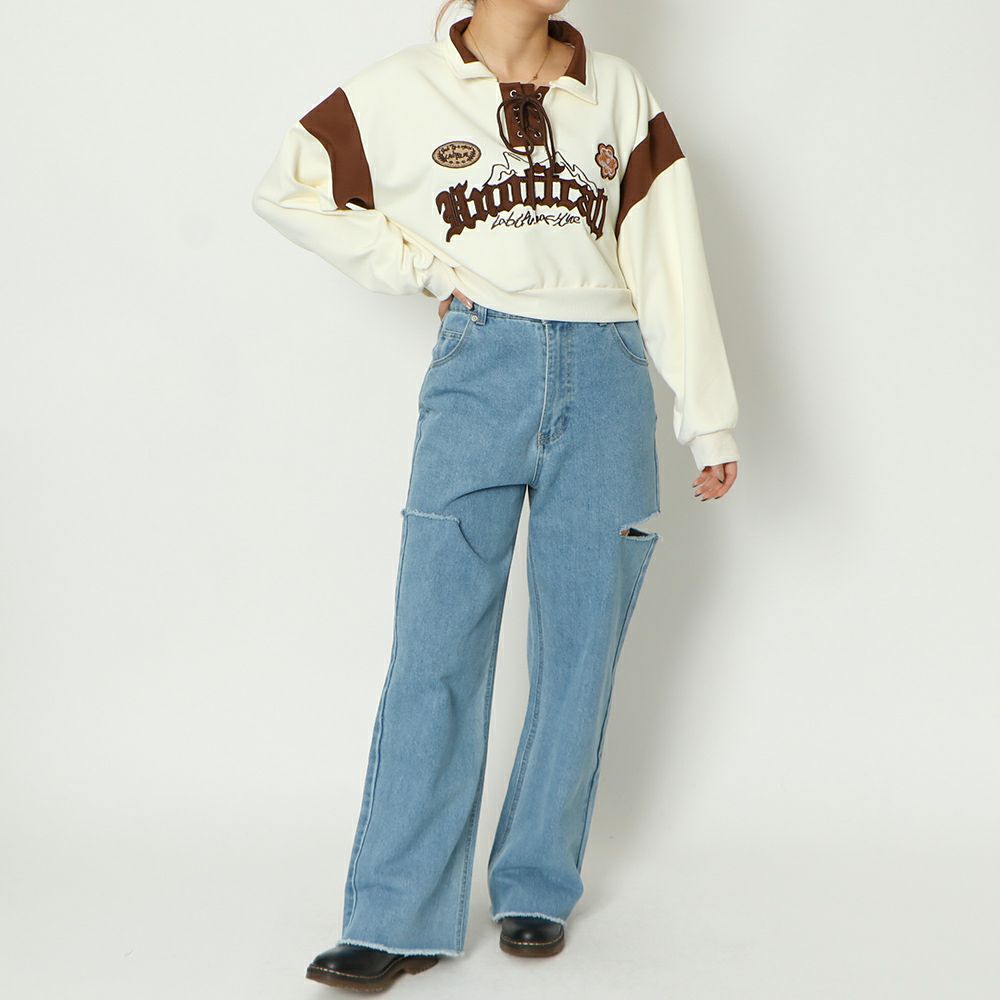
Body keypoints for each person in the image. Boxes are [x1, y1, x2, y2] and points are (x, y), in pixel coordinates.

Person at [251, 0, 740, 990]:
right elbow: (288, 187)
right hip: (481, 369)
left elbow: (668, 255)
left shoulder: (616, 91)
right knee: (435, 647)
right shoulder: (403, 88)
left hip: (606, 373)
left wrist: (709, 415)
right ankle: (396, 914)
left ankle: (535, 884)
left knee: (580, 648)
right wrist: (417, 265)